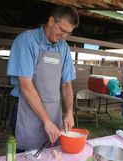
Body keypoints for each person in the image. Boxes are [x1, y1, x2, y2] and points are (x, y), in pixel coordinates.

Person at [7, 6, 79, 151]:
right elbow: (26, 85)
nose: (64, 36)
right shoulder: (26, 41)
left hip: (53, 112)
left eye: (68, 33)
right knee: (27, 154)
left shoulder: (63, 48)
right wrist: (46, 121)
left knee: (52, 153)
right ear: (51, 21)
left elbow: (66, 84)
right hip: (27, 110)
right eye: (62, 30)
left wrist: (69, 112)